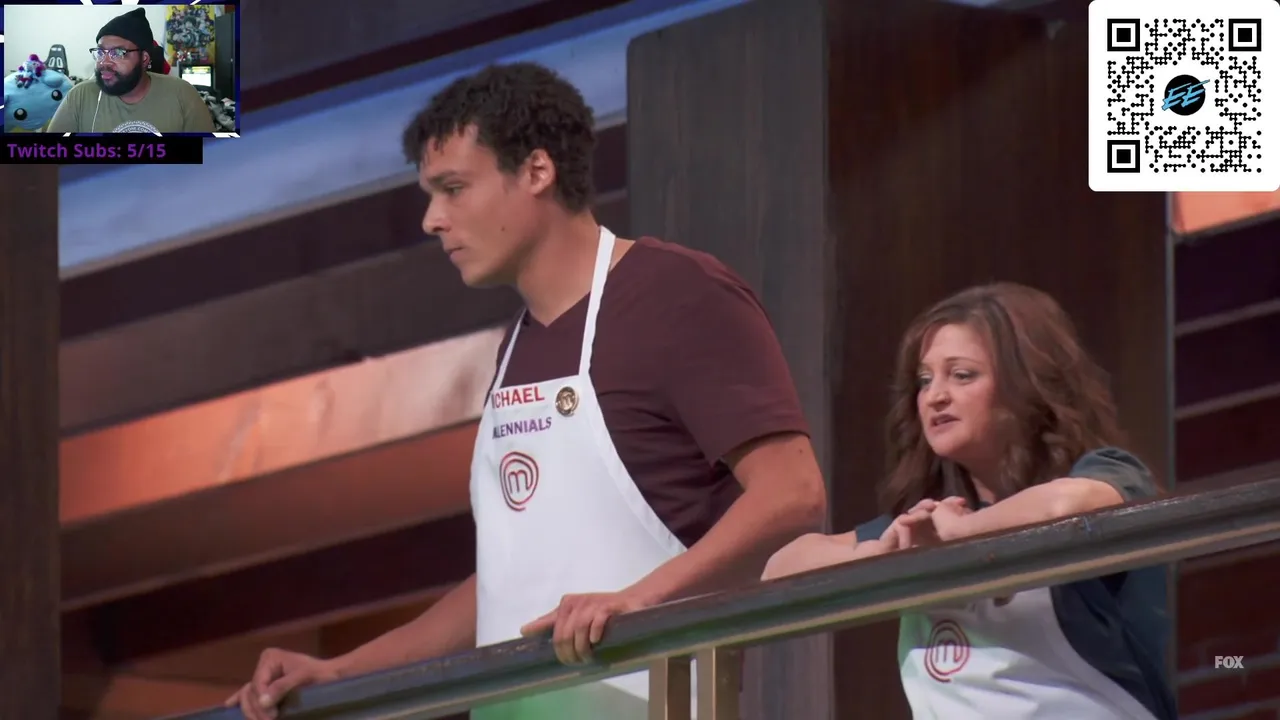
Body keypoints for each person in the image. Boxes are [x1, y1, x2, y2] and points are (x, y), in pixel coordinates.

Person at [226, 62, 827, 720]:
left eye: (453, 189)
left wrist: (637, 602)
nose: (432, 220)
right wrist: (338, 671)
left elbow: (792, 493)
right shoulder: (515, 346)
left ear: (538, 170)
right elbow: (505, 584)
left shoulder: (678, 293)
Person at [763, 283, 1176, 720]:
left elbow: (1066, 506)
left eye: (962, 375)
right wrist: (878, 555)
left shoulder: (1111, 471)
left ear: (1028, 383)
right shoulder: (927, 523)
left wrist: (965, 534)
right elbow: (780, 569)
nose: (935, 396)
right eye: (925, 380)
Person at [46, 7, 215, 134]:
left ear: (144, 58)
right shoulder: (80, 96)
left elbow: (210, 159)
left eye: (118, 53)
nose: (104, 62)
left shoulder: (182, 94)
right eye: (100, 52)